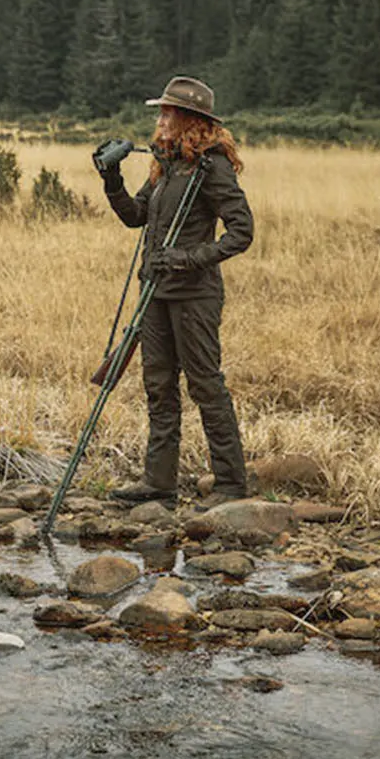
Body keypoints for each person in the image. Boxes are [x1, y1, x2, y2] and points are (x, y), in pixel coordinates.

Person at [94, 75, 253, 506]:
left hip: (195, 296)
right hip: (156, 294)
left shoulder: (212, 167)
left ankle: (231, 486)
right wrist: (111, 178)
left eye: (167, 113)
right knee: (159, 387)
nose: (159, 120)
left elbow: (242, 232)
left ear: (189, 119)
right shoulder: (166, 164)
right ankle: (158, 484)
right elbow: (135, 216)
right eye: (160, 113)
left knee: (206, 386)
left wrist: (185, 259)